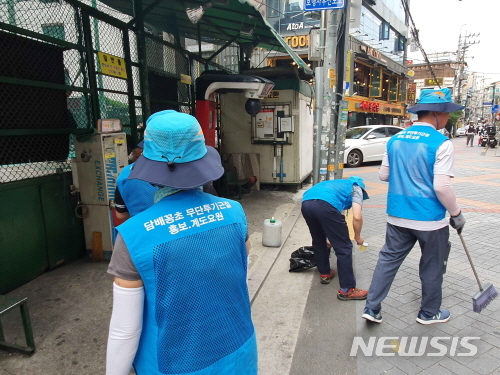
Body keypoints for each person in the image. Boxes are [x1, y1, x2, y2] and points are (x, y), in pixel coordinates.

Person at [106, 110, 257, 375]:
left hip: (173, 365)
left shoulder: (133, 237)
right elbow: (239, 282)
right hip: (239, 354)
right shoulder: (234, 213)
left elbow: (125, 330)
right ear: (201, 159)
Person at [362, 88, 465, 325]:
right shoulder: (442, 143)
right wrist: (456, 213)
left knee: (387, 260)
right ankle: (429, 313)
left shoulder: (394, 139)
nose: (448, 117)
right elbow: (442, 186)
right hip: (430, 219)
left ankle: (372, 307)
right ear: (437, 112)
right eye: (447, 112)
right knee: (432, 264)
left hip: (397, 215)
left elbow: (383, 175)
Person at [301, 176, 370, 301]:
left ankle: (325, 273)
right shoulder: (356, 188)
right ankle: (347, 290)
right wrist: (357, 237)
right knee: (344, 247)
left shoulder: (337, 184)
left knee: (319, 240)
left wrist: (333, 236)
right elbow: (357, 216)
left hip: (306, 203)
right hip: (326, 206)